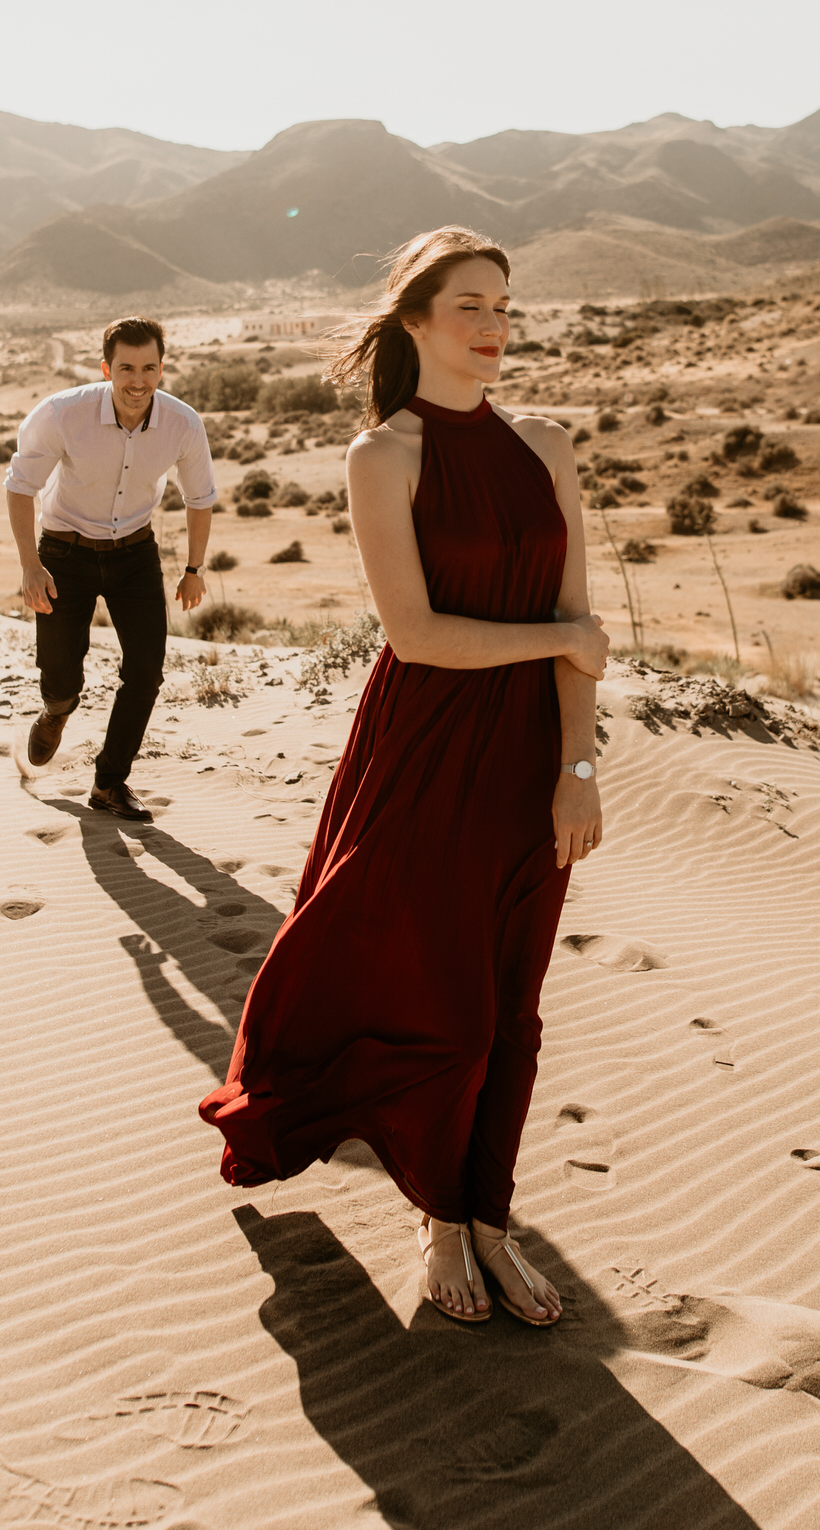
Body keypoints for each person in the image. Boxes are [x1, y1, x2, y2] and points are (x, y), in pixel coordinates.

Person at [200, 229, 609, 1330]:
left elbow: (581, 643)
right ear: (415, 318)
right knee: (448, 1010)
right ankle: (438, 1217)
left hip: (531, 759)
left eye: (506, 309)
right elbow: (421, 637)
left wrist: (577, 765)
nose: (493, 329)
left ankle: (488, 1217)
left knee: (513, 1008)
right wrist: (565, 636)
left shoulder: (547, 445)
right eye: (470, 305)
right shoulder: (385, 457)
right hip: (426, 752)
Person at [4, 315, 216, 822]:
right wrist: (30, 566)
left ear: (162, 369)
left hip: (135, 555)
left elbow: (200, 497)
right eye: (126, 368)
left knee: (146, 673)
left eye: (148, 368)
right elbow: (20, 486)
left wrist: (193, 568)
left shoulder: (183, 423)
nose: (137, 381)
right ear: (107, 368)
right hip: (63, 554)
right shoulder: (61, 414)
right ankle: (56, 710)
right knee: (60, 674)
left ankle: (109, 783)